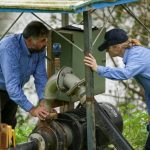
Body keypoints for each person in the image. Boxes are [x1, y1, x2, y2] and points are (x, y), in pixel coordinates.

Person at [84, 28, 150, 149]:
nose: (107, 52)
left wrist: (98, 68)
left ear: (117, 47)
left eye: (108, 48)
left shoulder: (136, 56)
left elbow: (125, 74)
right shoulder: (136, 52)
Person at [0, 21, 50, 129]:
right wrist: (32, 109)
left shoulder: (39, 48)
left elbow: (41, 76)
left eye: (46, 39)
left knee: (9, 126)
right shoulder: (9, 48)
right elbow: (12, 87)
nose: (46, 43)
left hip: (12, 90)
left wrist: (42, 100)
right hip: (6, 88)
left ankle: (9, 146)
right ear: (30, 40)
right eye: (42, 40)